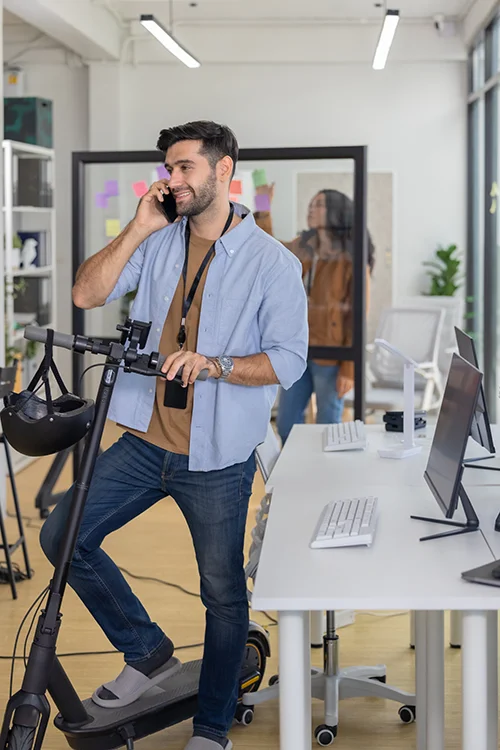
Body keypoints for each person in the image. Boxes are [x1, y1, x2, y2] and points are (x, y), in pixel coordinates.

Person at [39, 121, 308, 750]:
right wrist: (136, 227)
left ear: (224, 172)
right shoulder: (159, 240)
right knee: (62, 536)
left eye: (185, 167)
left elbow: (289, 362)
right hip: (144, 441)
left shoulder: (273, 263)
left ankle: (212, 726)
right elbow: (85, 293)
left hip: (217, 457)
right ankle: (149, 652)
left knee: (221, 594)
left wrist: (216, 364)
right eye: (169, 168)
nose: (172, 179)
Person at [254, 186, 375, 444]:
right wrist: (262, 205)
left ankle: (326, 480)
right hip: (297, 349)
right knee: (286, 425)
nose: (311, 208)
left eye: (318, 204)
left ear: (335, 212)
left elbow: (357, 316)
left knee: (329, 429)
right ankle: (292, 478)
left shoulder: (351, 258)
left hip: (332, 355)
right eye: (311, 203)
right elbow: (268, 249)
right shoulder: (305, 245)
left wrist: (349, 369)